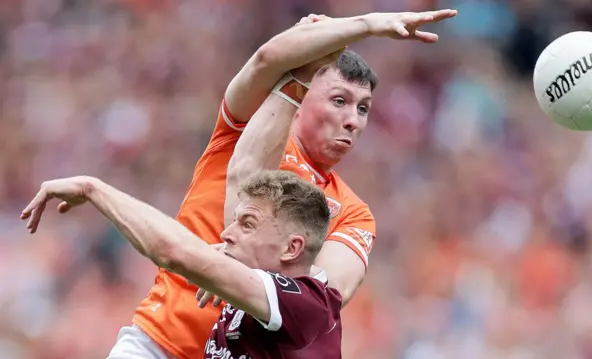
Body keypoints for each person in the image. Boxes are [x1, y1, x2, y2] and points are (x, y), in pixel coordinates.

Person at [70, 9, 455, 359]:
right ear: (301, 98)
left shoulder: (352, 212)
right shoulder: (242, 128)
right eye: (339, 100)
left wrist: (239, 274)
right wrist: (367, 25)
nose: (353, 119)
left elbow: (326, 294)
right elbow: (267, 60)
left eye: (363, 107)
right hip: (159, 345)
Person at [20, 171, 343, 358]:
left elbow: (172, 252)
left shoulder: (304, 304)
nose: (226, 234)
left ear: (292, 248)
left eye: (247, 224)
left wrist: (92, 189)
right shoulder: (261, 290)